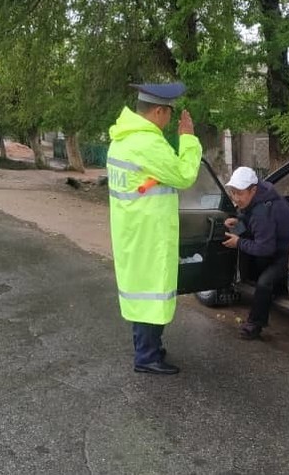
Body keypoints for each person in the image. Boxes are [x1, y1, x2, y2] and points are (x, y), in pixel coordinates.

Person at [106, 82, 202, 375]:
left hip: (131, 230)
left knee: (141, 292)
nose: (170, 120)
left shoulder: (122, 139)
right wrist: (188, 139)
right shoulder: (148, 144)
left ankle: (149, 349)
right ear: (159, 111)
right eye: (169, 113)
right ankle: (147, 357)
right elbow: (184, 175)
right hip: (148, 235)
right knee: (150, 293)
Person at [222, 167, 289, 340]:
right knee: (257, 261)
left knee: (264, 283)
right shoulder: (262, 196)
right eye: (233, 192)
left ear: (253, 190)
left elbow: (265, 248)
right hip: (277, 244)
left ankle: (254, 324)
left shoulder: (262, 211)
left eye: (239, 193)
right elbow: (253, 224)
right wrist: (238, 222)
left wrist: (238, 242)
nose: (235, 198)